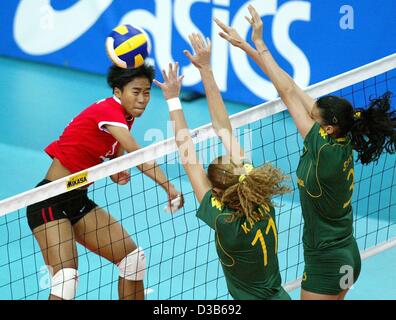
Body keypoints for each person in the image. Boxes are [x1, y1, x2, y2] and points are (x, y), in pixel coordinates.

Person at [214, 5, 396, 300]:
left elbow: (286, 94)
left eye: (314, 117)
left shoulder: (324, 150)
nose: (308, 117)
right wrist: (249, 45)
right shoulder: (342, 137)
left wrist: (259, 43)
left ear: (328, 129)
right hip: (347, 255)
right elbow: (291, 86)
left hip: (327, 263)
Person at [26, 64, 184, 300]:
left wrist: (114, 170)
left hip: (77, 200)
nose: (142, 99)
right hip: (48, 201)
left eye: (147, 92)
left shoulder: (125, 116)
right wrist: (169, 187)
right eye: (136, 91)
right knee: (66, 280)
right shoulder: (110, 111)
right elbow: (137, 154)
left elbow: (111, 154)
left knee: (133, 259)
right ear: (118, 92)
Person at [154, 34, 291, 300]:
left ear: (218, 192)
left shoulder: (224, 222)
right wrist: (206, 69)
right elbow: (222, 129)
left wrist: (173, 99)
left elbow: (188, 157)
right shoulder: (259, 196)